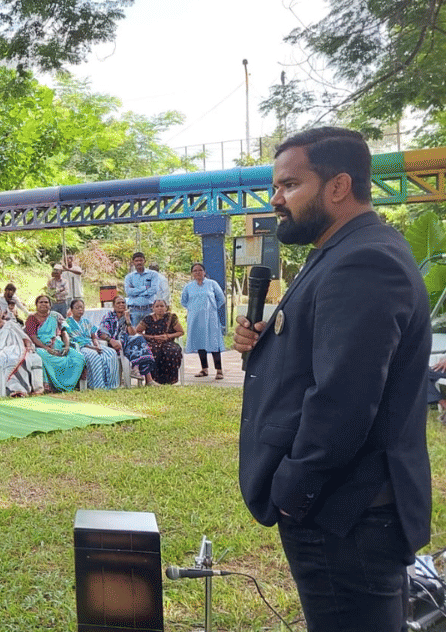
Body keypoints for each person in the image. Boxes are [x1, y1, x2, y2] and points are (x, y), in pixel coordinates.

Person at [231, 127, 432, 631]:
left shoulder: (363, 260)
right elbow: (326, 359)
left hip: (346, 515)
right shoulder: (341, 248)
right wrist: (268, 341)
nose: (276, 199)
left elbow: (343, 400)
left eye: (289, 185)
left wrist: (293, 492)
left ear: (339, 186)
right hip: (345, 510)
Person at [0, 303, 45, 397]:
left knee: (36, 359)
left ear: (1, 312)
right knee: (11, 359)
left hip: (19, 349)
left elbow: (24, 337)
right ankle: (16, 389)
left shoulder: (10, 324)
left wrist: (28, 346)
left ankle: (37, 389)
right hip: (0, 351)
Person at [25, 296, 83, 392]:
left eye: (46, 302)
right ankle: (49, 385)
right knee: (41, 354)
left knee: (78, 357)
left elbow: (64, 333)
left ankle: (69, 384)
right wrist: (47, 349)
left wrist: (67, 346)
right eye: (41, 302)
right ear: (36, 305)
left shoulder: (56, 316)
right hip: (41, 347)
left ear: (50, 305)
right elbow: (33, 337)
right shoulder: (31, 319)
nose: (43, 304)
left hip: (58, 346)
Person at [181, 263, 227, 380]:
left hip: (210, 318)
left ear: (204, 272)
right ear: (192, 273)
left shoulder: (212, 284)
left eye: (200, 270)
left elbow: (221, 299)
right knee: (200, 343)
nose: (198, 272)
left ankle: (219, 370)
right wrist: (194, 309)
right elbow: (184, 301)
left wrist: (211, 308)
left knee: (213, 343)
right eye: (195, 271)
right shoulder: (188, 287)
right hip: (195, 318)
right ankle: (204, 369)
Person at [99, 295, 156, 385]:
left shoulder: (128, 316)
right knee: (140, 345)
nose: (121, 304)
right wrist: (111, 340)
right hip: (115, 343)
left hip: (127, 342)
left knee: (139, 341)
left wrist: (128, 320)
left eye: (123, 303)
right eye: (118, 303)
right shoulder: (108, 317)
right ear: (114, 306)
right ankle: (147, 378)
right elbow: (101, 333)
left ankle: (137, 369)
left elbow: (132, 333)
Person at [63, 299, 119, 389]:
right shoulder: (67, 322)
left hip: (92, 344)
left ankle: (112, 385)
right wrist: (92, 348)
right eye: (77, 308)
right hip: (80, 347)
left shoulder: (87, 321)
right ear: (72, 310)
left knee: (111, 353)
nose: (80, 310)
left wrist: (97, 345)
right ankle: (98, 386)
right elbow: (73, 340)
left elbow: (93, 337)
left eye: (81, 307)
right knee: (94, 356)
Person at [136, 299, 184, 385]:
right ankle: (152, 380)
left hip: (167, 342)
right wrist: (153, 337)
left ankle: (169, 380)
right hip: (151, 342)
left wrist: (167, 336)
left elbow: (181, 332)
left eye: (162, 306)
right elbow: (137, 332)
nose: (160, 308)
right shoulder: (148, 319)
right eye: (157, 306)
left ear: (166, 308)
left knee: (172, 351)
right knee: (151, 351)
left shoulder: (171, 318)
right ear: (153, 308)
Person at [124, 252, 161, 327]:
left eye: (141, 260)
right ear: (133, 262)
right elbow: (128, 292)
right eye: (136, 261)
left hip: (149, 309)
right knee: (134, 334)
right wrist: (145, 288)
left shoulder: (153, 274)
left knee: (151, 332)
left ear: (145, 261)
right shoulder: (129, 277)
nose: (139, 263)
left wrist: (136, 292)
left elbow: (154, 290)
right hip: (134, 310)